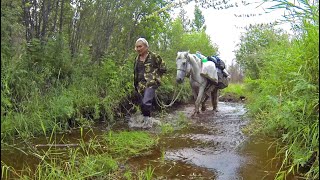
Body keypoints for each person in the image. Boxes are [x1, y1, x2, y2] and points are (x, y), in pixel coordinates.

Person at [133, 37, 167, 128]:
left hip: (151, 84)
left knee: (146, 102)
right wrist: (135, 85)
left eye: (140, 46)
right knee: (142, 105)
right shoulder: (137, 59)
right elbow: (135, 72)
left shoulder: (154, 56)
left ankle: (147, 124)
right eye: (137, 47)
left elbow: (163, 68)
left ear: (146, 47)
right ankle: (148, 121)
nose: (138, 49)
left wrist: (157, 78)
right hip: (140, 86)